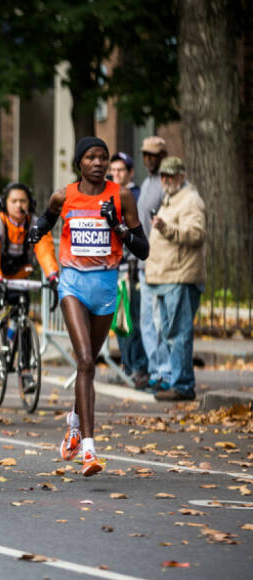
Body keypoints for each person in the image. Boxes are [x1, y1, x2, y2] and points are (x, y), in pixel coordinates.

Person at [28, 136, 149, 477]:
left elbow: (143, 249)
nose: (98, 163)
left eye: (103, 158)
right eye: (91, 157)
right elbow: (45, 219)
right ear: (80, 162)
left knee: (88, 367)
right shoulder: (63, 195)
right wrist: (35, 233)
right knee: (84, 361)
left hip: (106, 287)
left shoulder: (121, 196)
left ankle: (74, 422)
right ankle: (89, 450)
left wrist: (118, 226)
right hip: (73, 286)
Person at [146, 157, 205, 402]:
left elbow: (196, 234)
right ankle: (176, 380)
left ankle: (182, 384)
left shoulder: (190, 200)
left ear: (181, 176)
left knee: (179, 333)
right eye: (163, 176)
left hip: (180, 277)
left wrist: (166, 228)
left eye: (170, 176)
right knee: (169, 332)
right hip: (165, 276)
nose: (165, 180)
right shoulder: (170, 199)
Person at [0, 182, 59, 354]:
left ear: (29, 204)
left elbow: (45, 251)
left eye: (23, 201)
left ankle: (26, 367)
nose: (19, 205)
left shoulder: (37, 225)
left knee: (24, 318)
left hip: (21, 277)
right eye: (14, 201)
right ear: (4, 204)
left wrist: (53, 275)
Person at [109, 152, 147, 386]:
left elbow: (138, 232)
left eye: (120, 170)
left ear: (130, 172)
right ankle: (126, 366)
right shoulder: (108, 195)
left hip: (130, 267)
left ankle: (139, 367)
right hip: (114, 266)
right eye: (112, 171)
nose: (116, 175)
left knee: (133, 318)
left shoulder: (135, 196)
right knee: (120, 320)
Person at [136, 136, 168, 393]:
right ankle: (154, 371)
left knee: (159, 322)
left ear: (162, 157)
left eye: (154, 155)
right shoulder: (146, 183)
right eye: (146, 154)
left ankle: (163, 373)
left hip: (160, 263)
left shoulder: (165, 186)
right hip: (143, 262)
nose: (149, 159)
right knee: (146, 321)